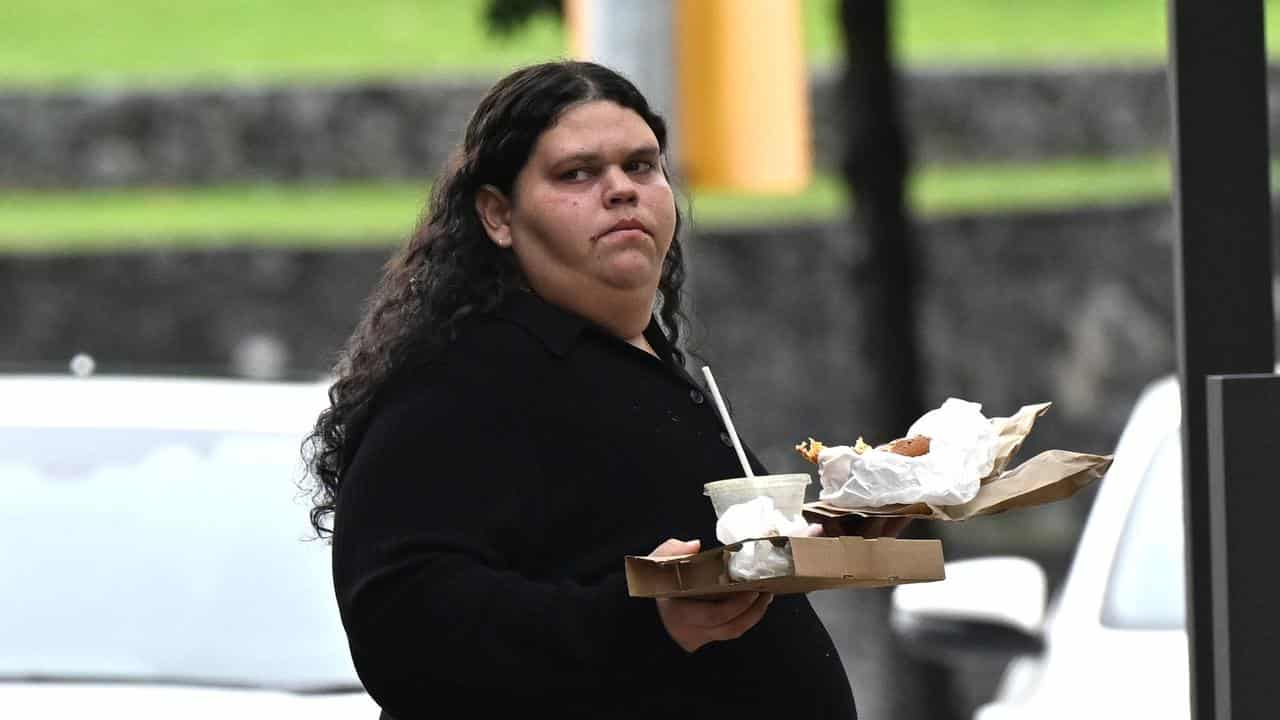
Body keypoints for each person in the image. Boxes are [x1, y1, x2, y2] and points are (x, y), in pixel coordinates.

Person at [304, 61, 858, 719]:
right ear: (497, 216)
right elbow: (404, 624)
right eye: (577, 174)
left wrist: (859, 517)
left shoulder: (650, 364)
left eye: (642, 166)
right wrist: (639, 621)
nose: (622, 189)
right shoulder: (462, 379)